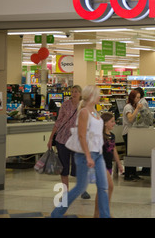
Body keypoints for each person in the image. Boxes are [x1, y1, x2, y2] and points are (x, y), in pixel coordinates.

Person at [51, 85, 110, 218]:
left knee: (103, 186)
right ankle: (57, 213)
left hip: (98, 154)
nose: (100, 97)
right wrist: (88, 156)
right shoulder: (84, 112)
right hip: (85, 155)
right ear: (91, 96)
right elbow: (81, 136)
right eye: (98, 94)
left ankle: (105, 215)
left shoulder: (95, 111)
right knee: (80, 187)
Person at [47, 85, 90, 199]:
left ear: (80, 93)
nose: (74, 93)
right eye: (72, 92)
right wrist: (51, 137)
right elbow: (59, 121)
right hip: (62, 139)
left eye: (76, 92)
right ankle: (65, 191)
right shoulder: (65, 105)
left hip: (78, 140)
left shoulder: (84, 106)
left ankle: (82, 190)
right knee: (64, 166)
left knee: (80, 166)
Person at [94, 112, 124, 218]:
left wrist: (119, 164)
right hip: (100, 165)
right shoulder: (100, 136)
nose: (114, 123)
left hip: (109, 165)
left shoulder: (112, 136)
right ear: (105, 123)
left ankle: (98, 213)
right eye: (112, 121)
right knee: (110, 187)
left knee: (101, 190)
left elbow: (114, 150)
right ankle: (105, 212)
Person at [122, 89, 145, 181]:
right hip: (128, 133)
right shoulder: (128, 107)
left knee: (133, 153)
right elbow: (130, 119)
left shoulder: (134, 106)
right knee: (129, 154)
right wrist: (137, 109)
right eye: (137, 98)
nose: (139, 99)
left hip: (133, 133)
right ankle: (127, 175)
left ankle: (133, 173)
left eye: (140, 98)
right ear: (132, 98)